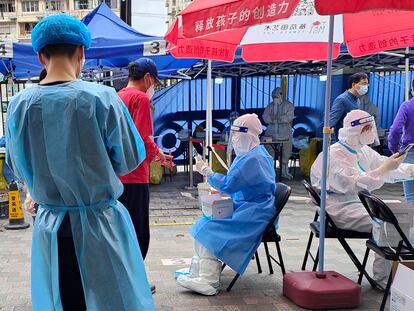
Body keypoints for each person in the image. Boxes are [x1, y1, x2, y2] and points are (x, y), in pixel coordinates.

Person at [5, 14, 154, 310]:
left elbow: (19, 168)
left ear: (40, 56)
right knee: (112, 298)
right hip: (101, 224)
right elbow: (127, 160)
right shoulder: (103, 98)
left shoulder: (20, 105)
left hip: (51, 225)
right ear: (81, 52)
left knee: (65, 297)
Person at [311, 109, 414, 287]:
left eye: (371, 127)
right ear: (354, 130)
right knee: (389, 225)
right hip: (339, 209)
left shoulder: (362, 150)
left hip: (358, 204)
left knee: (402, 217)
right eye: (367, 129)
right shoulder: (335, 155)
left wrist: (410, 170)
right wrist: (384, 169)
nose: (372, 132)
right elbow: (355, 183)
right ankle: (384, 280)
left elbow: (386, 166)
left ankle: (396, 275)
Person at [176, 114, 276, 295]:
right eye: (233, 134)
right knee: (204, 222)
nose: (235, 139)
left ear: (251, 134)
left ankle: (208, 281)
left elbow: (229, 185)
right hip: (247, 205)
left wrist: (207, 171)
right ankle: (198, 271)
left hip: (255, 212)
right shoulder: (252, 153)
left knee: (211, 228)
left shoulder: (253, 158)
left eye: (239, 134)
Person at [117, 59, 171, 292]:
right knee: (138, 231)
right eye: (155, 84)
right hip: (135, 176)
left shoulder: (118, 96)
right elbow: (143, 139)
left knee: (121, 230)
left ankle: (121, 277)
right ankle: (134, 282)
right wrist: (160, 156)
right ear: (148, 78)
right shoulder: (139, 99)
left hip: (117, 177)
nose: (154, 88)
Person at [263, 87, 295, 180]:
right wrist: (276, 118)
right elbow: (265, 117)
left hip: (285, 133)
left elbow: (289, 118)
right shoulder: (270, 106)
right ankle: (270, 172)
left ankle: (284, 171)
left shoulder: (288, 105)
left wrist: (276, 117)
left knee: (285, 152)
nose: (275, 98)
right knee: (269, 152)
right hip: (271, 133)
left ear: (281, 95)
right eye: (273, 97)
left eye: (276, 96)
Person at [388, 96, 414, 207]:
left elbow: (395, 130)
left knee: (411, 196)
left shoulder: (407, 106)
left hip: (410, 153)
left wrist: (394, 149)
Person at [329, 72, 368, 141]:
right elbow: (330, 123)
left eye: (367, 84)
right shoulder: (342, 100)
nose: (366, 86)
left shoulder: (357, 100)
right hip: (341, 142)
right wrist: (334, 143)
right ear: (353, 85)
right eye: (363, 84)